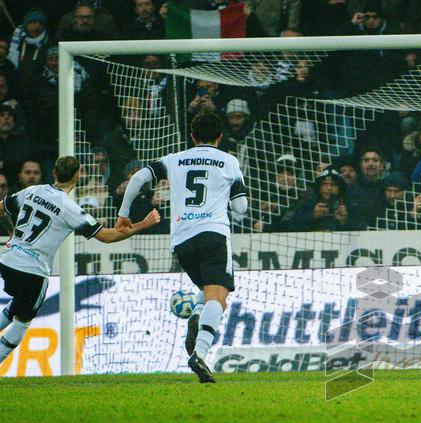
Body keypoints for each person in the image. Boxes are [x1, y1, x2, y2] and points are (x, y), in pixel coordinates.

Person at [116, 111, 248, 383]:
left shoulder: (174, 159)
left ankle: (197, 315)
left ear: (192, 136)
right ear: (220, 137)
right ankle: (200, 353)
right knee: (218, 298)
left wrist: (124, 212)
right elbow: (241, 208)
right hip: (213, 234)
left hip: (182, 241)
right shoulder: (229, 161)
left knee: (205, 292)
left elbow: (139, 177)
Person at [0, 156, 159, 366]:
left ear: (54, 172)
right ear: (77, 177)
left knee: (15, 306)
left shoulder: (32, 191)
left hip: (8, 260)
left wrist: (12, 232)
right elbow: (107, 237)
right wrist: (143, 224)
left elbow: (2, 207)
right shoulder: (70, 208)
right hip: (33, 269)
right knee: (22, 322)